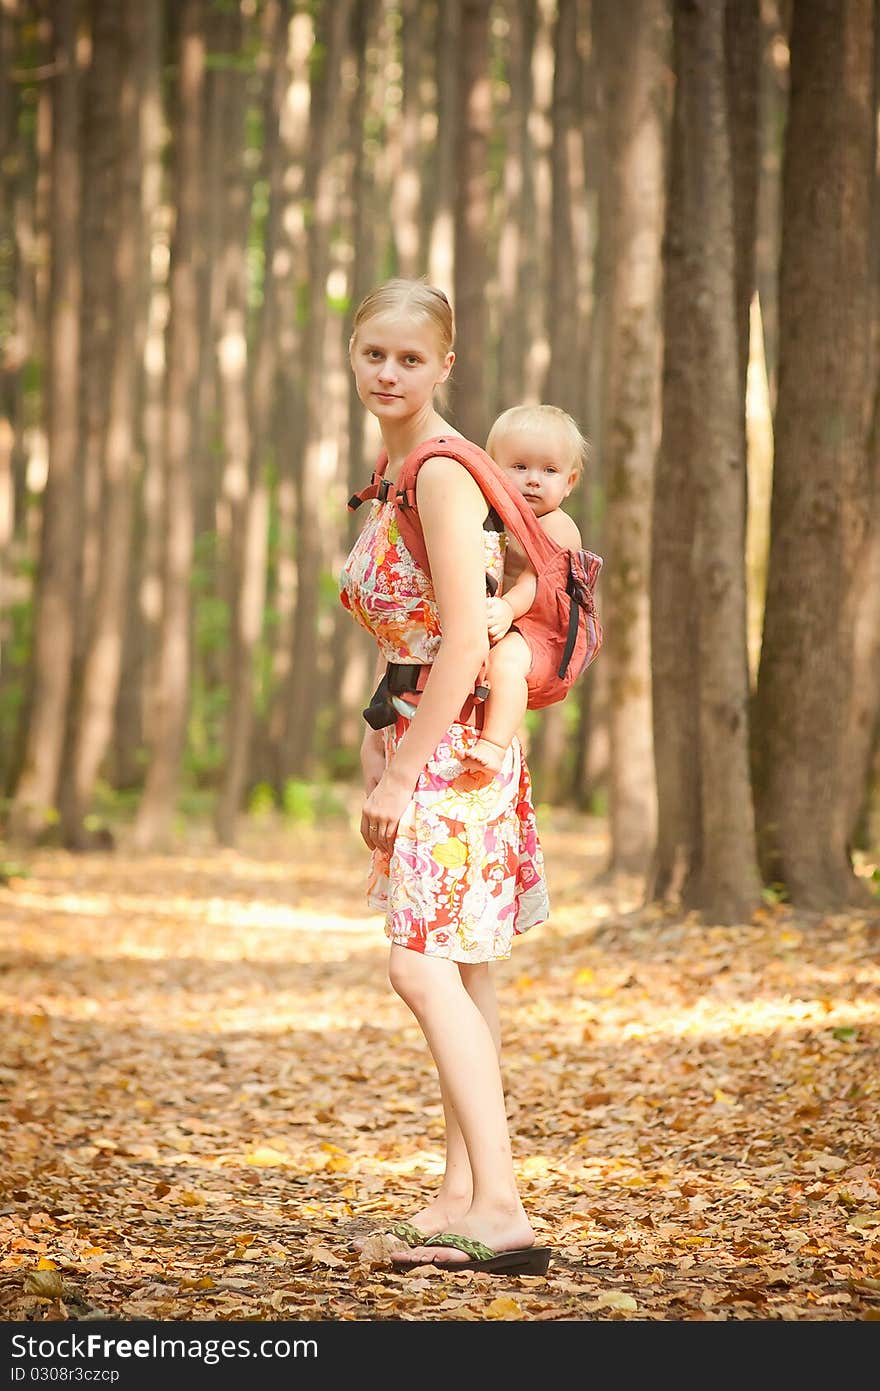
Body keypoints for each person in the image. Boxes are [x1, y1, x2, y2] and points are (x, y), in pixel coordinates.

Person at [338, 278, 552, 1275]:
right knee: (462, 968)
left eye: (410, 358)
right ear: (353, 354)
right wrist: (375, 746)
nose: (389, 371)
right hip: (442, 741)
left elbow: (466, 637)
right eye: (374, 353)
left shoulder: (438, 470)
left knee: (417, 963)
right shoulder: (394, 472)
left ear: (443, 366)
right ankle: (460, 1192)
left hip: (457, 752)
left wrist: (398, 777)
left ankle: (501, 1205)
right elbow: (409, 635)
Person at [459, 403, 587, 786]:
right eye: (519, 467)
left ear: (570, 481)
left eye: (549, 471)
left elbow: (534, 582)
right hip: (510, 618)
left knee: (505, 663)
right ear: (494, 472)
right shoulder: (493, 517)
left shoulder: (558, 525)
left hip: (546, 628)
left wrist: (506, 608)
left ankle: (496, 745)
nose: (534, 480)